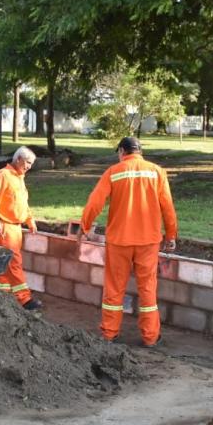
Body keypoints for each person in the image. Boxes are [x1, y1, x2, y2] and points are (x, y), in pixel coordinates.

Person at [79, 137, 177, 347]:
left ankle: (109, 333)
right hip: (148, 242)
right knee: (147, 288)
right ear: (140, 151)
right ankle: (150, 337)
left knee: (114, 288)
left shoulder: (113, 172)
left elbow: (95, 202)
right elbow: (167, 207)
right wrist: (171, 235)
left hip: (119, 241)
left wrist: (85, 226)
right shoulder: (157, 172)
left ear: (122, 151)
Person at [0, 146, 43, 311]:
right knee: (14, 263)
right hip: (5, 227)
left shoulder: (19, 178)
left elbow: (22, 203)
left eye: (31, 164)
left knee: (5, 265)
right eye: (27, 162)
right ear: (18, 159)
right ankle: (24, 299)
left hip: (15, 228)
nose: (29, 166)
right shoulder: (2, 176)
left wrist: (29, 220)